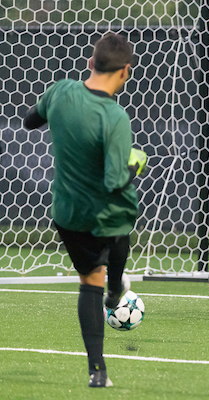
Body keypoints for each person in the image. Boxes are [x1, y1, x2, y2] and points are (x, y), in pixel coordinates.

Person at [23, 32, 147, 388]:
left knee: (87, 281)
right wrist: (135, 163)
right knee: (124, 218)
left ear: (91, 63)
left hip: (66, 215)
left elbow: (30, 121)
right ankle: (115, 289)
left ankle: (98, 372)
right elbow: (114, 181)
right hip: (104, 216)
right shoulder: (115, 116)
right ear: (126, 71)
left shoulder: (61, 91)